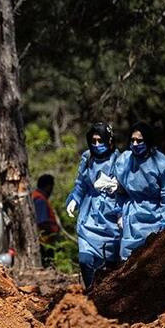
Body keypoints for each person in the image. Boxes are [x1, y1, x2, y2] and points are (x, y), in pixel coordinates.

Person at [111, 122, 165, 261]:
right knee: (128, 260)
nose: (135, 144)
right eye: (132, 140)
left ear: (148, 141)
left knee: (153, 260)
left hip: (156, 217)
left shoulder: (161, 164)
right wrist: (119, 212)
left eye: (140, 140)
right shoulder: (124, 160)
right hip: (132, 217)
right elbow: (121, 192)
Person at [66, 123, 122, 288]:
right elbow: (81, 184)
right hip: (90, 214)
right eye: (93, 141)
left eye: (100, 140)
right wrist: (74, 199)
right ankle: (90, 291)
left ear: (109, 140)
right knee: (85, 259)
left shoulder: (119, 159)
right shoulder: (87, 157)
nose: (97, 145)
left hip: (112, 215)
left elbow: (127, 186)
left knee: (111, 264)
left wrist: (117, 189)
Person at [33, 174, 59, 267]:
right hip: (43, 242)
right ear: (48, 186)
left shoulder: (36, 197)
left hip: (42, 241)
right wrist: (53, 232)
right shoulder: (40, 200)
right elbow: (42, 222)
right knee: (47, 265)